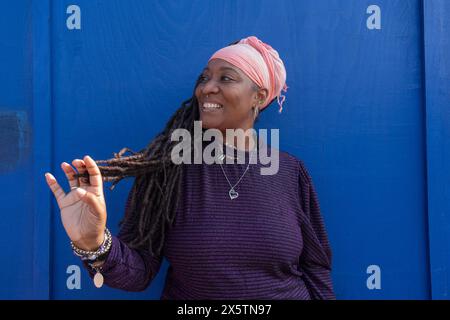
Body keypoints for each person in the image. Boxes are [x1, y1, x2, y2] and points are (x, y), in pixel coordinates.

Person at [44, 36, 336, 299]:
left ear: (258, 97)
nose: (207, 88)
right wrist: (95, 243)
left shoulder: (290, 172)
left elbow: (316, 268)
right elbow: (138, 273)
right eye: (204, 78)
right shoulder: (169, 170)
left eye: (226, 78)